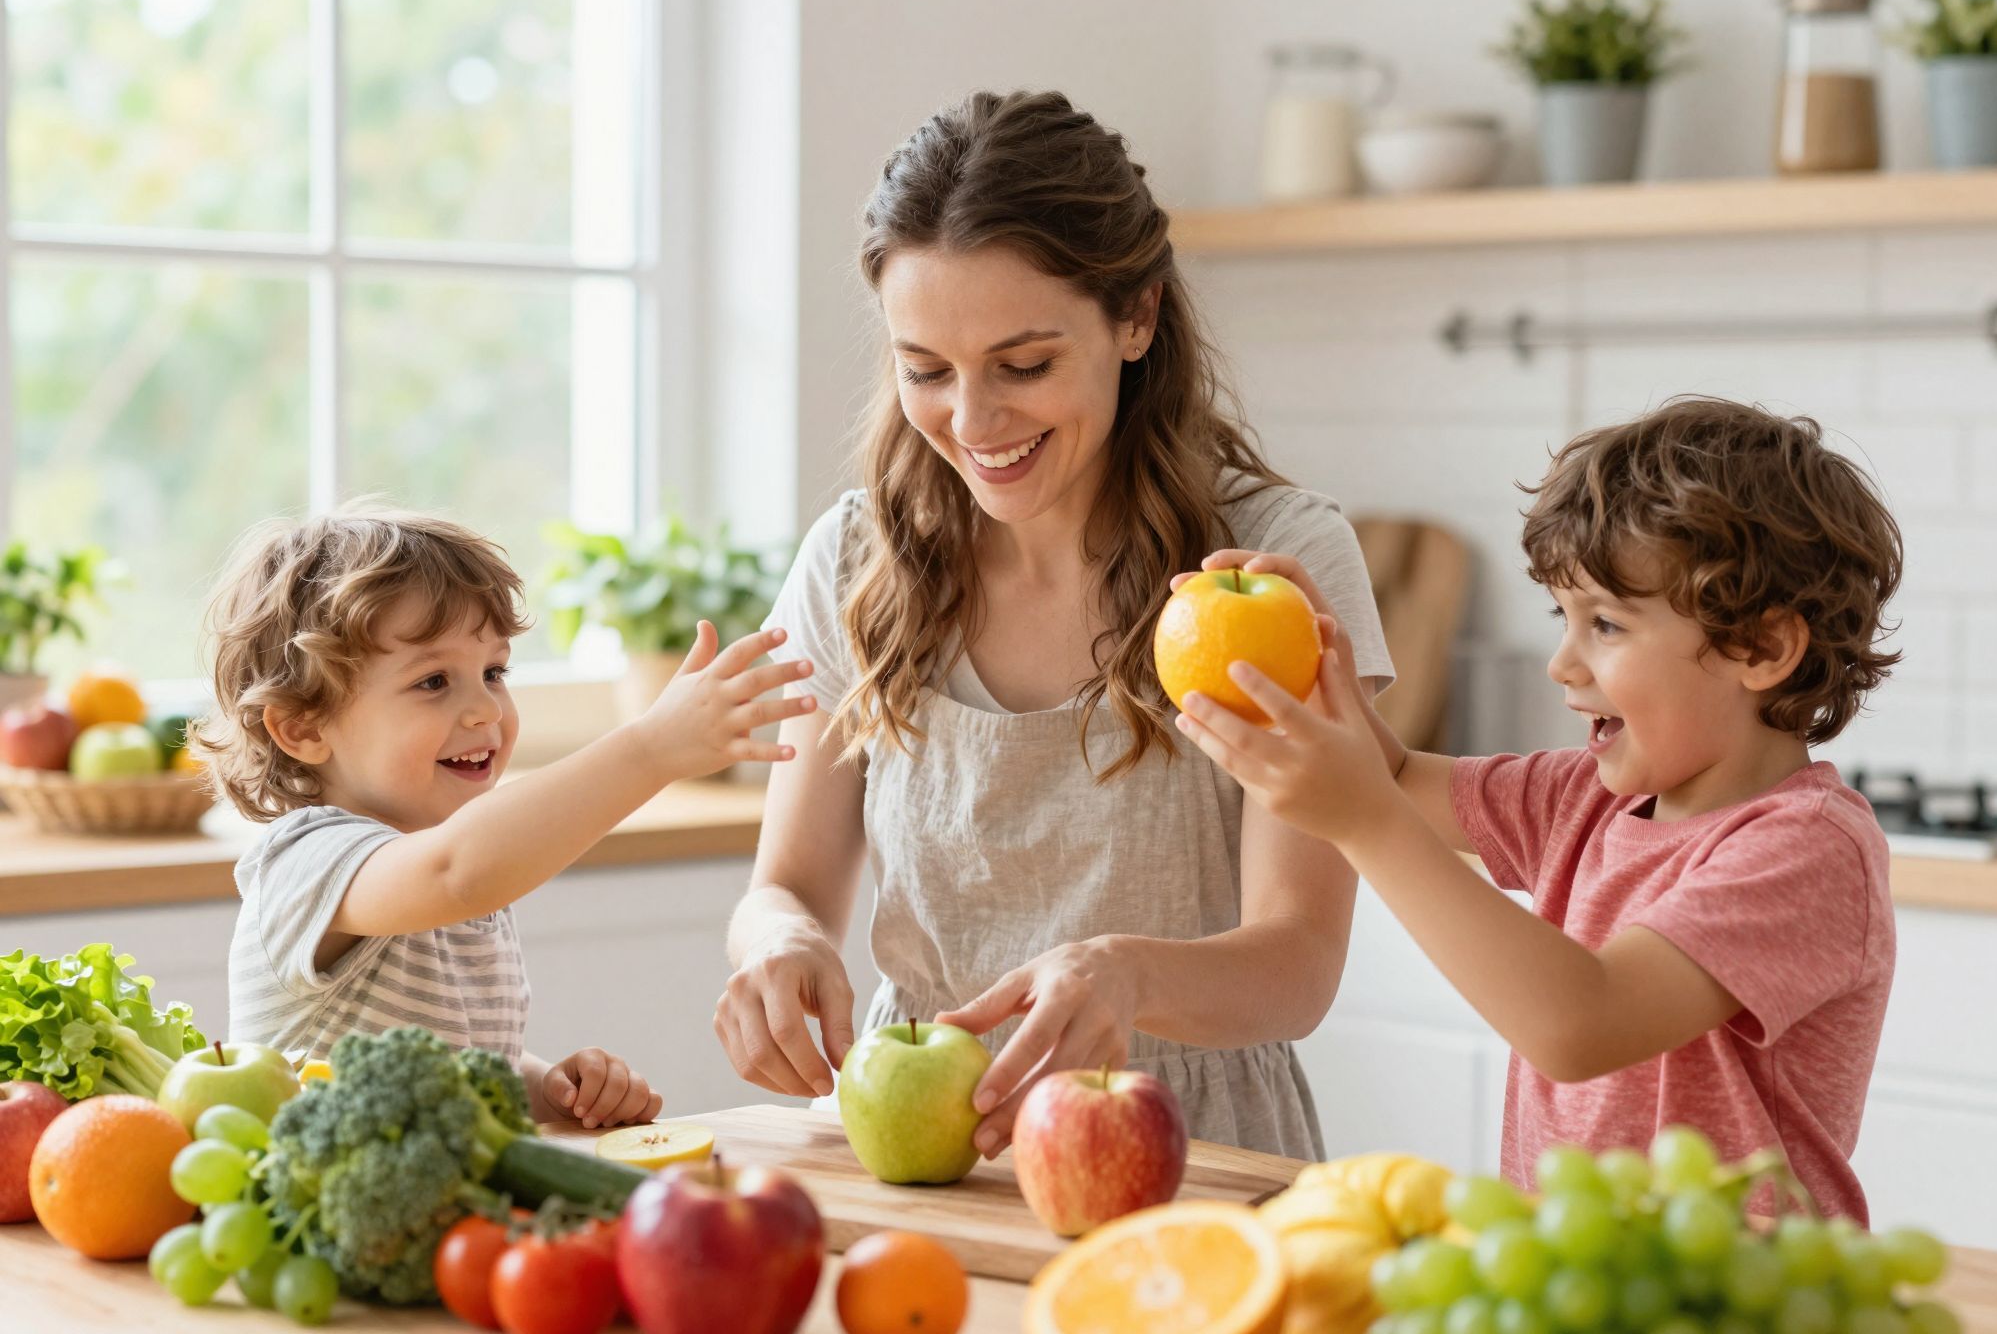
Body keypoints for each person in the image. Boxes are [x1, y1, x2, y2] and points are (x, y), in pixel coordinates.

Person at [719, 90, 1394, 1161]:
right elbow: (786, 884)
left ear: (1136, 317)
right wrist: (779, 941)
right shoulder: (857, 560)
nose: (973, 424)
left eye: (1023, 366)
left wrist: (1124, 975)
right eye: (924, 372)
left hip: (1186, 1144)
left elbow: (1297, 962)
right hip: (920, 1142)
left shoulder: (1273, 563)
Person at [1177, 398, 1902, 1220]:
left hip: (1737, 1308)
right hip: (1577, 1284)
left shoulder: (1805, 849)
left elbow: (1580, 1025)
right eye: (1565, 617)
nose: (1562, 663)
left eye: (1607, 625)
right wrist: (1302, 653)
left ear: (1763, 649)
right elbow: (1397, 771)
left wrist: (1365, 821)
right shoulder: (1584, 797)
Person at [201, 507, 811, 1127]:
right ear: (302, 727)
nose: (485, 710)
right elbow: (456, 870)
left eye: (494, 672)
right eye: (434, 681)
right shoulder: (304, 860)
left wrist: (552, 1091)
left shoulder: (458, 869)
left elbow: (468, 1064)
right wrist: (650, 748)